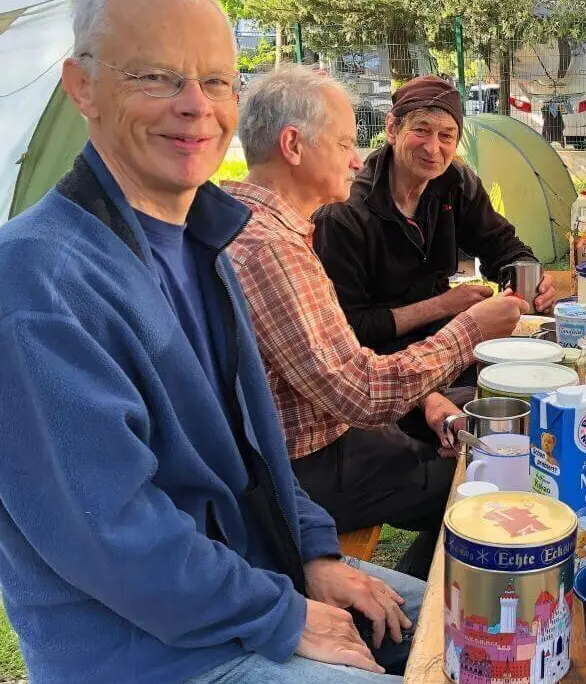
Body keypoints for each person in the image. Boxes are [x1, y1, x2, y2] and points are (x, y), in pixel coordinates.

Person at [0, 1, 426, 682]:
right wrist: (283, 615)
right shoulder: (34, 284)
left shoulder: (206, 241)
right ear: (83, 86)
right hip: (150, 655)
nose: (195, 107)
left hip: (253, 580)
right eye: (155, 77)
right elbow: (115, 539)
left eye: (218, 81)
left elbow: (252, 451)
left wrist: (314, 553)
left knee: (462, 622)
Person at [224, 66, 528, 581]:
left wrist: (429, 396)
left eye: (447, 136)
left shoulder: (264, 227)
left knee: (477, 429)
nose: (353, 157)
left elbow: (338, 373)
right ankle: (424, 607)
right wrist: (468, 327)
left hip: (333, 426)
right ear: (293, 145)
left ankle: (416, 588)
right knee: (477, 475)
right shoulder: (276, 247)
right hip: (301, 466)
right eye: (344, 142)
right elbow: (359, 392)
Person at [314, 75, 555, 359]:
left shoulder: (457, 184)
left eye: (446, 136)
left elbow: (502, 247)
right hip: (380, 363)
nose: (433, 148)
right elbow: (351, 328)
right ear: (392, 129)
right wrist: (442, 305)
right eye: (421, 130)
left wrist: (531, 278)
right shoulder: (344, 212)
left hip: (445, 344)